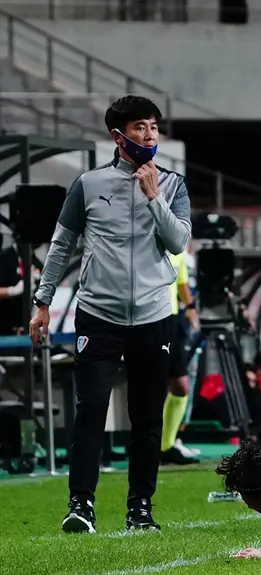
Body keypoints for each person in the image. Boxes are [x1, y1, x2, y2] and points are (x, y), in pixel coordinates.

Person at [28, 95, 191, 533]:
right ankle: (81, 505)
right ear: (118, 137)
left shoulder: (173, 184)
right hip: (99, 315)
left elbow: (178, 243)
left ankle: (140, 509)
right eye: (140, 127)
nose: (150, 135)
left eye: (154, 126)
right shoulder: (88, 184)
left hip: (153, 316)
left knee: (147, 418)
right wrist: (42, 302)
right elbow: (61, 246)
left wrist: (153, 197)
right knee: (91, 409)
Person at [160, 250, 201, 465]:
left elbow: (181, 282)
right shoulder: (145, 243)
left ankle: (166, 445)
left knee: (181, 386)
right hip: (146, 319)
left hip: (172, 320)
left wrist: (191, 308)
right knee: (150, 386)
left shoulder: (178, 251)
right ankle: (151, 445)